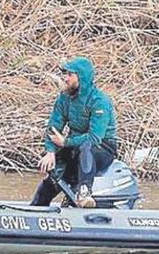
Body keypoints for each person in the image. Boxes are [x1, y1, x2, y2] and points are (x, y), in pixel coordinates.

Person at [30, 57, 118, 208]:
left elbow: (94, 138)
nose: (66, 78)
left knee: (86, 147)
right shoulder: (64, 98)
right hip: (75, 146)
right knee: (54, 172)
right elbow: (54, 126)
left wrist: (65, 142)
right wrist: (51, 151)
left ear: (81, 77)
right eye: (66, 74)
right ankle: (36, 207)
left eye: (70, 75)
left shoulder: (99, 101)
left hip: (102, 148)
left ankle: (84, 192)